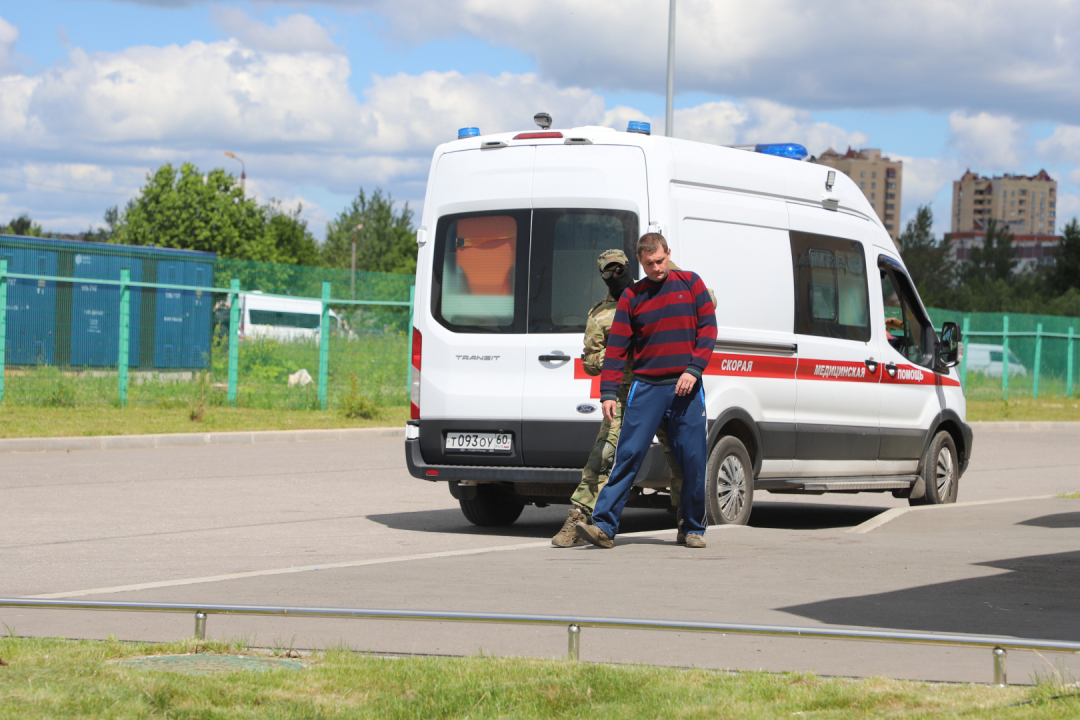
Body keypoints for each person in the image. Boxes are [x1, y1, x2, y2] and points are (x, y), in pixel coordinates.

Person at [576, 233, 717, 549]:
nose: (656, 267)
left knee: (693, 459)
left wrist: (693, 370)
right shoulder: (632, 297)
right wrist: (608, 393)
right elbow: (616, 349)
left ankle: (693, 528)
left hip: (686, 388)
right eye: (649, 263)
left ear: (669, 253)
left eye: (661, 260)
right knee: (627, 456)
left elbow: (708, 329)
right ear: (640, 261)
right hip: (647, 387)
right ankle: (603, 526)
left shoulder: (692, 284)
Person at [550, 249, 684, 547]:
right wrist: (621, 352)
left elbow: (705, 301)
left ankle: (687, 519)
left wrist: (671, 269)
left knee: (680, 454)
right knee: (604, 454)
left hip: (664, 387)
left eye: (619, 268)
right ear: (602, 275)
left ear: (628, 266)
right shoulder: (601, 314)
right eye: (608, 271)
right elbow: (589, 361)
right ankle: (579, 518)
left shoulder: (654, 291)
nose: (615, 275)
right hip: (625, 392)